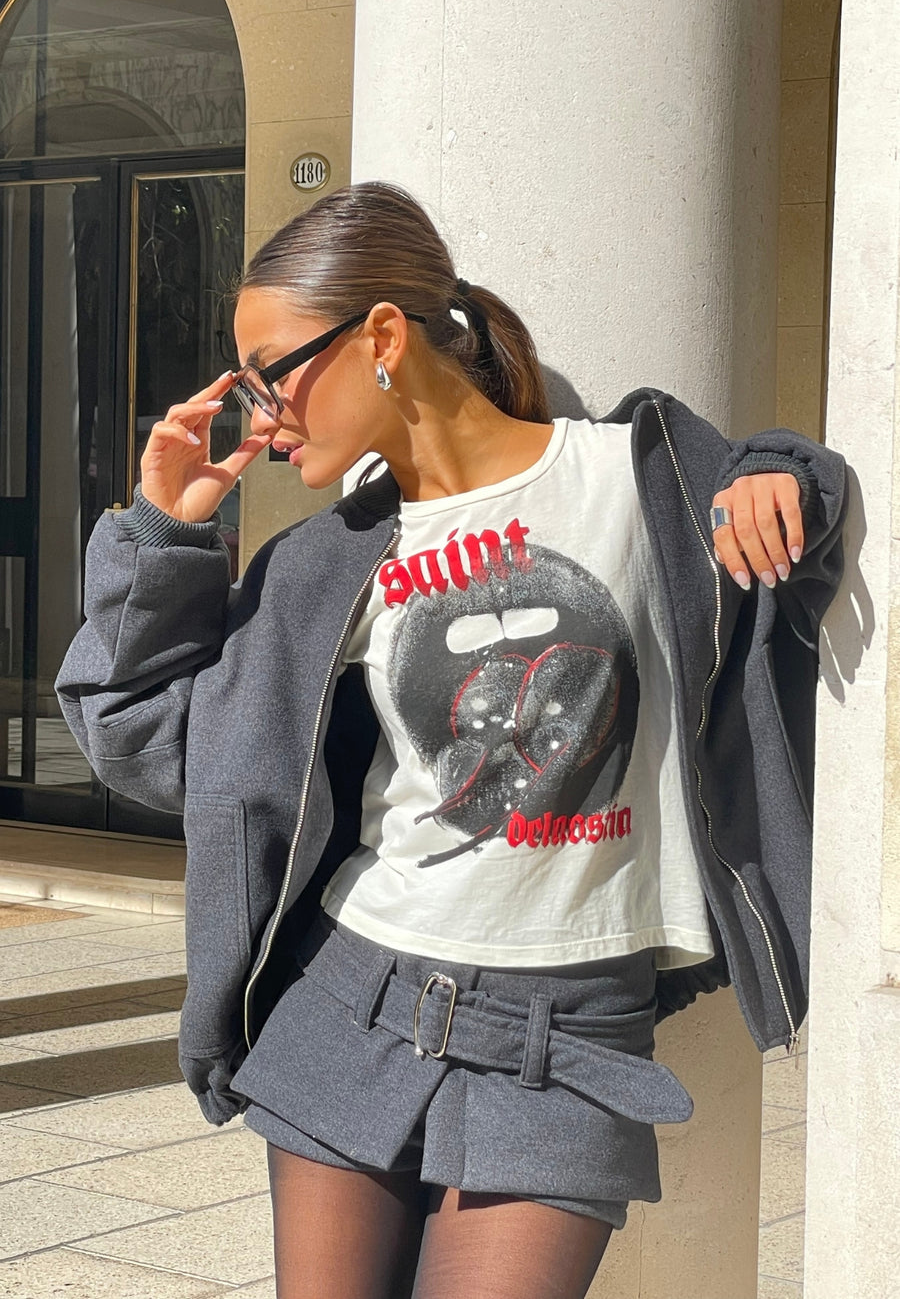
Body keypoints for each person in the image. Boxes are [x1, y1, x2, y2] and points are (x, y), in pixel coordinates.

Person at [56, 181, 848, 1299]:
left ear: (381, 335)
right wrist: (166, 535)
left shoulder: (637, 479)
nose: (260, 414)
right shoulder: (328, 563)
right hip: (352, 995)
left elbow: (792, 540)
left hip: (567, 1034)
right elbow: (141, 739)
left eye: (269, 373)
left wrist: (791, 470)